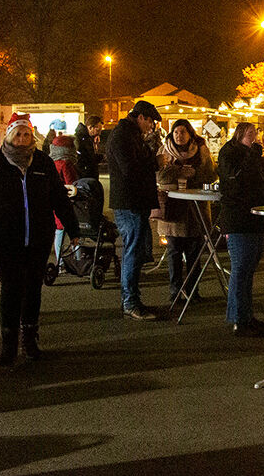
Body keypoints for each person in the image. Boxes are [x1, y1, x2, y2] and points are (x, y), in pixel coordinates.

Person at [0, 113, 81, 366]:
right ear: (9, 135)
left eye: (27, 134)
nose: (23, 139)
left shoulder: (43, 163)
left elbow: (58, 198)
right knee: (12, 288)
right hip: (5, 239)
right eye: (18, 134)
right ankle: (9, 342)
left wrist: (73, 230)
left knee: (33, 288)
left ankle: (29, 338)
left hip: (38, 238)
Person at [106, 100, 162, 321]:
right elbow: (130, 168)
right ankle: (130, 302)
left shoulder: (129, 134)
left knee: (135, 252)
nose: (151, 127)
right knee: (132, 252)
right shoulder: (123, 136)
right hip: (129, 203)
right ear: (141, 117)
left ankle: (131, 300)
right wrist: (155, 162)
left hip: (134, 202)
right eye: (150, 122)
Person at [217, 122, 264, 337]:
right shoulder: (230, 153)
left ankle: (246, 316)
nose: (254, 137)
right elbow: (235, 181)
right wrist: (251, 157)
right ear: (239, 134)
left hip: (256, 216)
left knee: (248, 270)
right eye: (250, 133)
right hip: (240, 217)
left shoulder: (253, 155)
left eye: (255, 133)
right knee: (241, 268)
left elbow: (258, 181)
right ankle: (239, 319)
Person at [156, 119, 216, 301]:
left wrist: (196, 174)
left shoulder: (201, 150)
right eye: (175, 132)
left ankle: (193, 291)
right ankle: (175, 291)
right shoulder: (164, 150)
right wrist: (178, 171)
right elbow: (159, 174)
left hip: (195, 208)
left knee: (194, 252)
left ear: (190, 133)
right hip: (172, 208)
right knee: (174, 251)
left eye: (182, 132)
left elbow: (212, 174)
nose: (179, 135)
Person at [49, 134, 80, 270]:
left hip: (55, 203)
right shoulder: (66, 163)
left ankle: (59, 262)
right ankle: (78, 259)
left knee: (59, 232)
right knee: (74, 234)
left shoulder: (51, 163)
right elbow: (71, 184)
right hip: (67, 203)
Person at [74, 115, 104, 179]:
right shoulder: (80, 139)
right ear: (90, 127)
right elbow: (85, 158)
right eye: (98, 130)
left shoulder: (88, 138)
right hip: (85, 175)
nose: (99, 133)